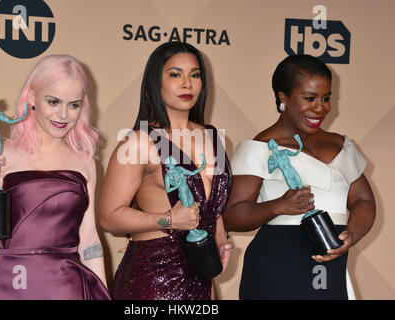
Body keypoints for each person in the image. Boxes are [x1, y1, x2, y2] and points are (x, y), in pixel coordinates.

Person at [223, 54, 376, 300]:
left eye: (326, 98)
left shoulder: (342, 144)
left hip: (330, 265)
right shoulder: (258, 147)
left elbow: (364, 201)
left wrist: (351, 235)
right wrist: (279, 206)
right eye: (309, 98)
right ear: (283, 98)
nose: (321, 108)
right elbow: (230, 217)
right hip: (275, 270)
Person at [0, 55, 111, 300]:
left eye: (74, 105)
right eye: (53, 101)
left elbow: (89, 241)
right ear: (32, 98)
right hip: (11, 286)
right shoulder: (1, 156)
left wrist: (103, 293)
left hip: (67, 288)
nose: (63, 114)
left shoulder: (84, 161)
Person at [100, 41, 233, 300]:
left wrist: (219, 242)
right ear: (155, 82)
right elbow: (109, 216)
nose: (187, 84)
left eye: (195, 75)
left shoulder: (215, 138)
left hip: (201, 272)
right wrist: (169, 220)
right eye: (175, 74)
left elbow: (212, 209)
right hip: (152, 275)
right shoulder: (139, 141)